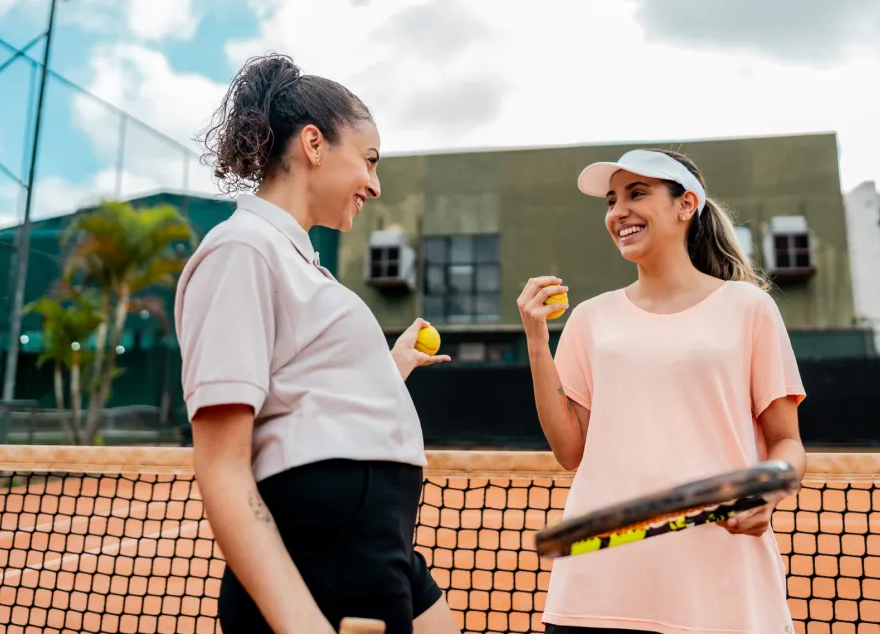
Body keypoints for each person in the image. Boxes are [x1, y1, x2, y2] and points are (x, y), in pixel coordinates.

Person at [174, 53, 461, 634]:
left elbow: (309, 400)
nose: (376, 186)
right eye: (370, 161)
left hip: (377, 538)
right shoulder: (242, 250)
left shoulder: (300, 264)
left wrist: (390, 366)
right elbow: (222, 468)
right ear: (313, 144)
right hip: (325, 555)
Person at [517, 149, 807, 634]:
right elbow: (570, 451)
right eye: (611, 201)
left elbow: (787, 443)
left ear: (685, 204)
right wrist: (535, 340)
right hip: (599, 586)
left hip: (719, 586)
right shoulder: (591, 317)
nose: (618, 212)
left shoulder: (749, 308)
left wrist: (772, 489)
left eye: (637, 194)